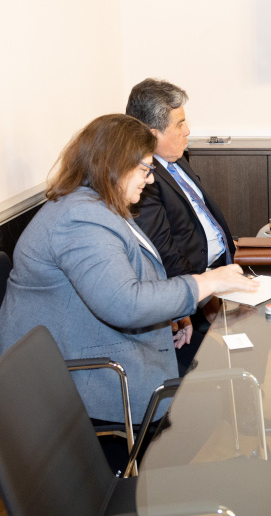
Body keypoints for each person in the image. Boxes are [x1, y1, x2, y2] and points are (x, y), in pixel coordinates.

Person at [0, 114, 257, 424]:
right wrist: (207, 282)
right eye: (145, 170)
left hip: (94, 345)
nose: (150, 180)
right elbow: (125, 302)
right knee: (210, 400)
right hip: (81, 374)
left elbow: (124, 282)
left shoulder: (96, 206)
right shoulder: (80, 219)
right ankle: (151, 469)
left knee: (215, 375)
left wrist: (176, 312)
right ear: (115, 167)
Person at [126, 78, 235, 361]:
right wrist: (209, 300)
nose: (187, 130)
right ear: (152, 135)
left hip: (222, 272)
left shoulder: (175, 158)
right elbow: (165, 256)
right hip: (196, 293)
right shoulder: (143, 180)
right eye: (179, 124)